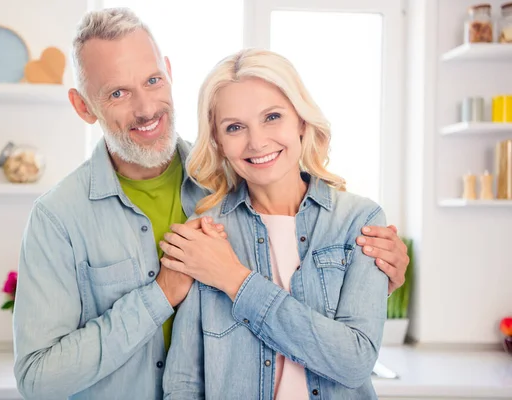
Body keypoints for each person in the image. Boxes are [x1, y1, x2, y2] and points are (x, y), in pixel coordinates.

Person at [12, 7, 410, 400]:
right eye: (118, 93)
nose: (147, 108)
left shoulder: (229, 183)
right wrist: (160, 294)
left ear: (168, 72)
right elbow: (38, 379)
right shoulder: (58, 218)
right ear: (84, 107)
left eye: (152, 80)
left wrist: (373, 277)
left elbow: (304, 261)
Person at [161, 48, 392, 399]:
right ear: (219, 143)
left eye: (272, 117)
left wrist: (235, 280)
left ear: (300, 119)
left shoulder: (359, 221)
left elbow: (354, 362)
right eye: (235, 127)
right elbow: (185, 381)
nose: (257, 141)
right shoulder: (204, 232)